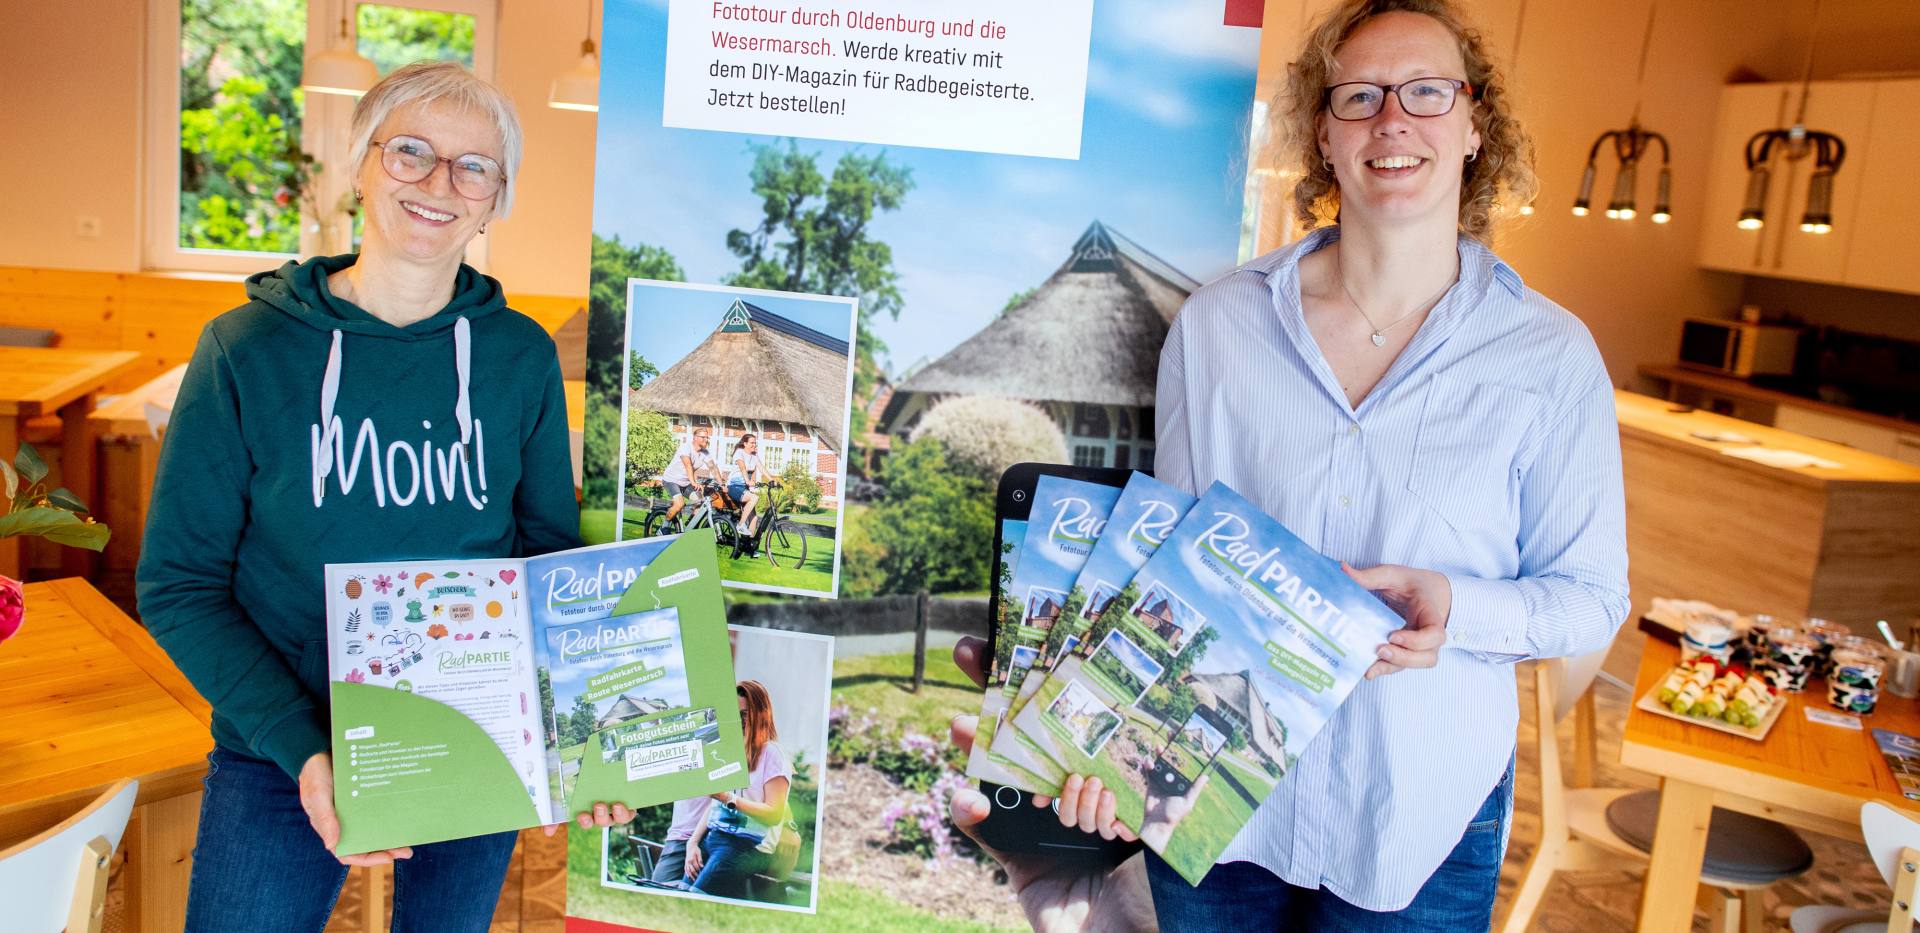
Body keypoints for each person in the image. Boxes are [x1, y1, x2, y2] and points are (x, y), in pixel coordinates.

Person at [971, 1, 1631, 929]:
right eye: (1359, 95)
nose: (1393, 118)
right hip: (1207, 800)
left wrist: (1460, 603)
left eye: (1427, 92)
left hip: (1420, 812)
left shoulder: (1550, 357)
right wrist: (1086, 736)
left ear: (1475, 123)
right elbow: (1161, 557)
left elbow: (1593, 595)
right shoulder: (1219, 325)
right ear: (1324, 132)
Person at [136, 61, 587, 932]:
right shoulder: (245, 348)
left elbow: (546, 564)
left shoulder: (519, 357)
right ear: (361, 163)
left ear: (497, 199)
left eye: (473, 166)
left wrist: (586, 745)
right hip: (281, 745)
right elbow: (179, 586)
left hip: (472, 736)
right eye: (410, 151)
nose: (438, 182)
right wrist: (304, 749)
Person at [685, 680, 791, 898]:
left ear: (761, 714)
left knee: (694, 898)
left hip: (747, 847)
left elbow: (774, 813)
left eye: (745, 714)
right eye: (735, 713)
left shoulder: (773, 754)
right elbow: (717, 805)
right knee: (682, 892)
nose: (739, 720)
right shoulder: (734, 751)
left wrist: (728, 798)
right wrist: (692, 843)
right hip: (714, 838)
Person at [658, 425, 717, 527]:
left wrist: (722, 483)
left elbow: (713, 468)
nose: (706, 440)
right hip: (672, 481)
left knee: (702, 501)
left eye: (707, 438)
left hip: (685, 483)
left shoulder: (705, 453)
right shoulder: (686, 448)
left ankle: (691, 523)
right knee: (679, 504)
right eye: (703, 437)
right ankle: (664, 526)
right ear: (695, 437)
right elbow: (688, 466)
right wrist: (693, 482)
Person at [649, 796, 713, 887]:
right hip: (677, 838)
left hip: (703, 838)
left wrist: (694, 841)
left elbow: (718, 801)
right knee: (657, 889)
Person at [726, 433, 764, 557]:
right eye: (752, 442)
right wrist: (747, 480)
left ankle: (749, 549)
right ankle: (740, 525)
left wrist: (773, 480)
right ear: (745, 443)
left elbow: (762, 469)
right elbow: (743, 468)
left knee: (754, 518)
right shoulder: (739, 452)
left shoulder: (754, 455)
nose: (754, 445)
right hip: (734, 486)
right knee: (755, 497)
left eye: (755, 443)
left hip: (745, 488)